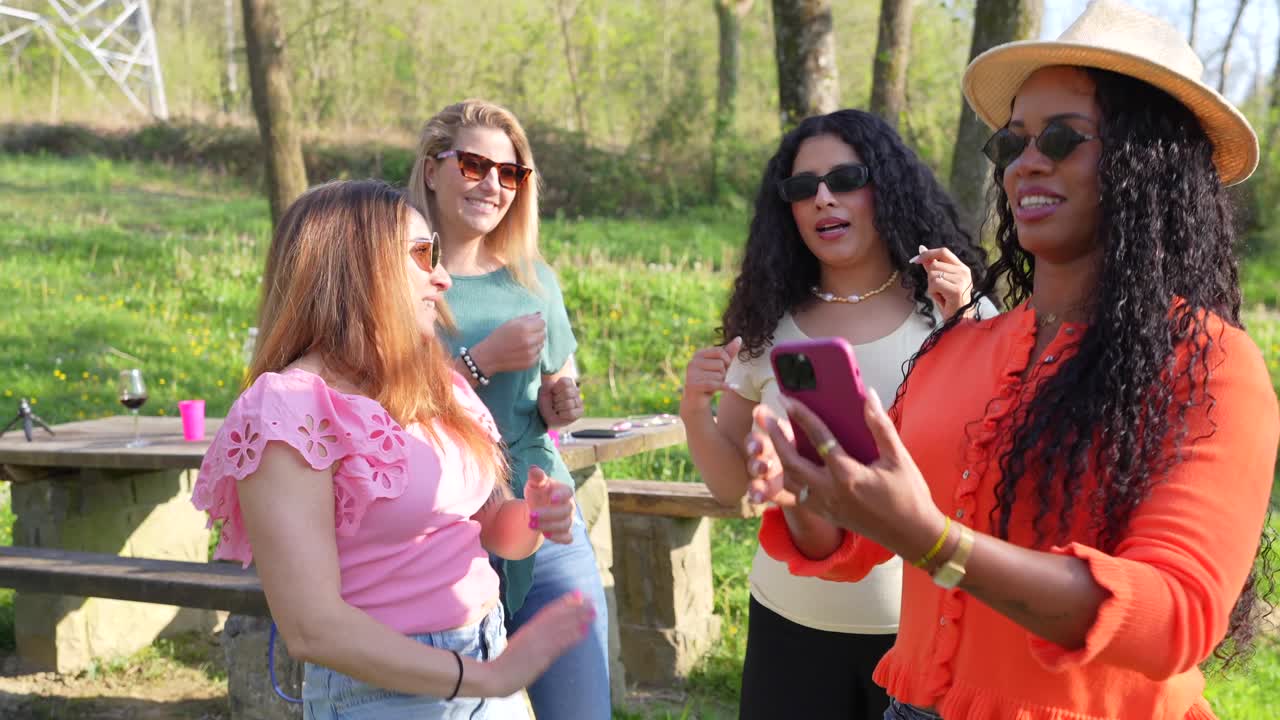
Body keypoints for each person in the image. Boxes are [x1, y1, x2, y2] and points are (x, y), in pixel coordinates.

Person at [744, 2, 1280, 719]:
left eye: (1063, 137)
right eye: (1012, 143)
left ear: (1150, 162)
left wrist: (935, 543)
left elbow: (1174, 614)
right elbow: (857, 539)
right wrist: (813, 491)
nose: (1028, 160)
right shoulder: (960, 349)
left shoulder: (1211, 368)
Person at [191, 180, 595, 719]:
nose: (444, 277)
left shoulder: (436, 381)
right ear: (356, 266)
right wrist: (485, 677)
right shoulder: (289, 406)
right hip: (385, 692)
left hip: (485, 654)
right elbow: (312, 629)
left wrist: (536, 518)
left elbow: (493, 529)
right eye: (422, 254)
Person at [680, 108, 992, 719]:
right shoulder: (768, 324)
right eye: (803, 188)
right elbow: (732, 487)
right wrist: (695, 410)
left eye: (845, 179)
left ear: (887, 187)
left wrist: (967, 325)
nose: (823, 198)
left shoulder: (953, 309)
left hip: (924, 637)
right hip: (790, 625)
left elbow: (993, 461)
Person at [408, 99, 611, 719]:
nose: (492, 185)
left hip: (541, 513)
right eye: (473, 165)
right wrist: (479, 363)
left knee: (580, 708)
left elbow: (555, 398)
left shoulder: (534, 279)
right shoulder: (397, 276)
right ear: (432, 170)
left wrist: (561, 403)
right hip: (436, 529)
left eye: (510, 173)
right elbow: (379, 409)